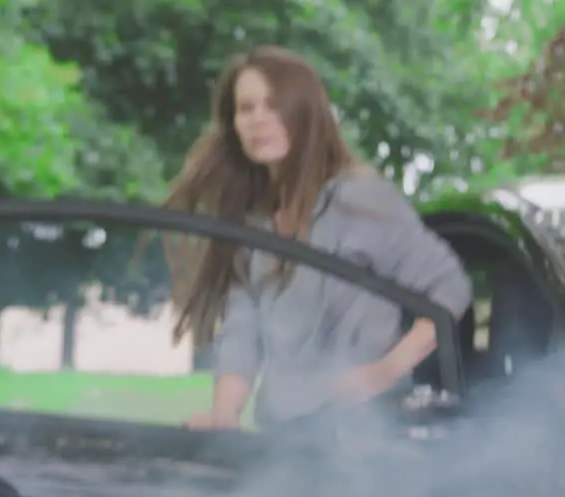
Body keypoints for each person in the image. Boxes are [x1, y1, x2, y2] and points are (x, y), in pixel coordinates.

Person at [165, 45, 473, 432]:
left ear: (305, 113)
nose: (259, 118)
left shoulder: (358, 197)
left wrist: (382, 372)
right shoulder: (254, 223)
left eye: (274, 104)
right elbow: (241, 331)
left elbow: (450, 288)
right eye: (246, 108)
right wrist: (225, 416)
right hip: (284, 438)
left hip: (367, 432)